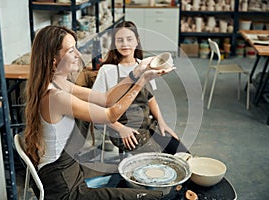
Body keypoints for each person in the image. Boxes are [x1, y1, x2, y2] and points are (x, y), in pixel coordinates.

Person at [24, 25, 176, 200]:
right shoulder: (56, 97)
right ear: (53, 60)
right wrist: (142, 80)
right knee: (149, 196)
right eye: (71, 51)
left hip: (70, 170)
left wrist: (138, 70)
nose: (78, 55)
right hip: (65, 189)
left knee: (127, 172)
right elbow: (110, 114)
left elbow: (106, 99)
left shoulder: (61, 84)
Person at [92, 21, 188, 154]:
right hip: (123, 129)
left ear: (137, 41)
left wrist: (162, 123)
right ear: (114, 44)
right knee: (160, 160)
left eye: (129, 39)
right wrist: (120, 129)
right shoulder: (108, 70)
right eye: (120, 40)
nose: (125, 44)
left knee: (182, 154)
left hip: (149, 125)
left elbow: (150, 98)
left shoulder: (144, 65)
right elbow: (95, 109)